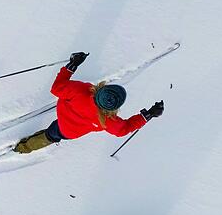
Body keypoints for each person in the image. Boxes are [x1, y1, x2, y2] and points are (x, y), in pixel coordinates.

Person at [14, 52, 164, 154]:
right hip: (69, 132)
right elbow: (122, 130)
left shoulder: (80, 91)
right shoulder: (108, 121)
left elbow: (57, 88)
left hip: (62, 119)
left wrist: (72, 65)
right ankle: (24, 148)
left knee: (51, 131)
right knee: (51, 136)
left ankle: (22, 147)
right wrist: (148, 115)